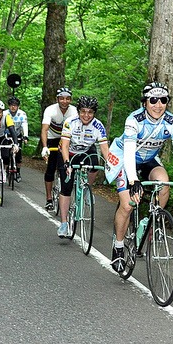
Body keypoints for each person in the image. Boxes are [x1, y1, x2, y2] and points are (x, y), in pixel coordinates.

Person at [105, 82, 173, 273]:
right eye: (153, 100)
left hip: (149, 158)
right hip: (126, 158)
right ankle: (118, 245)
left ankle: (150, 221)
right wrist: (133, 180)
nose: (158, 105)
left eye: (163, 100)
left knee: (164, 185)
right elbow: (130, 151)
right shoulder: (134, 120)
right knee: (127, 205)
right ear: (145, 102)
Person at [57, 95, 110, 237]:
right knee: (66, 187)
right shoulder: (70, 122)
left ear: (94, 113)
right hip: (69, 152)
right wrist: (67, 162)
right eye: (83, 111)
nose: (86, 115)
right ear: (78, 111)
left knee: (95, 164)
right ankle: (63, 223)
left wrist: (110, 164)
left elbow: (104, 148)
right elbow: (66, 145)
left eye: (90, 112)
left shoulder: (98, 125)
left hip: (86, 151)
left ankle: (87, 188)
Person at [40, 87, 78, 211]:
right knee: (51, 168)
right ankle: (49, 198)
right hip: (52, 138)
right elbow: (45, 129)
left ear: (70, 100)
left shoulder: (74, 111)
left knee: (64, 167)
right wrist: (45, 147)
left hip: (67, 139)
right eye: (61, 98)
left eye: (67, 99)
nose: (64, 101)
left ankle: (65, 194)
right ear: (57, 99)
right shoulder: (50, 110)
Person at [7, 96, 29, 181]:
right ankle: (6, 169)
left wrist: (25, 136)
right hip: (7, 135)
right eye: (11, 105)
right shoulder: (5, 113)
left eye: (15, 105)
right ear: (9, 106)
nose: (13, 107)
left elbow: (25, 125)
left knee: (18, 155)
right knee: (6, 154)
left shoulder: (22, 114)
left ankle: (18, 171)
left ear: (18, 106)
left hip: (18, 135)